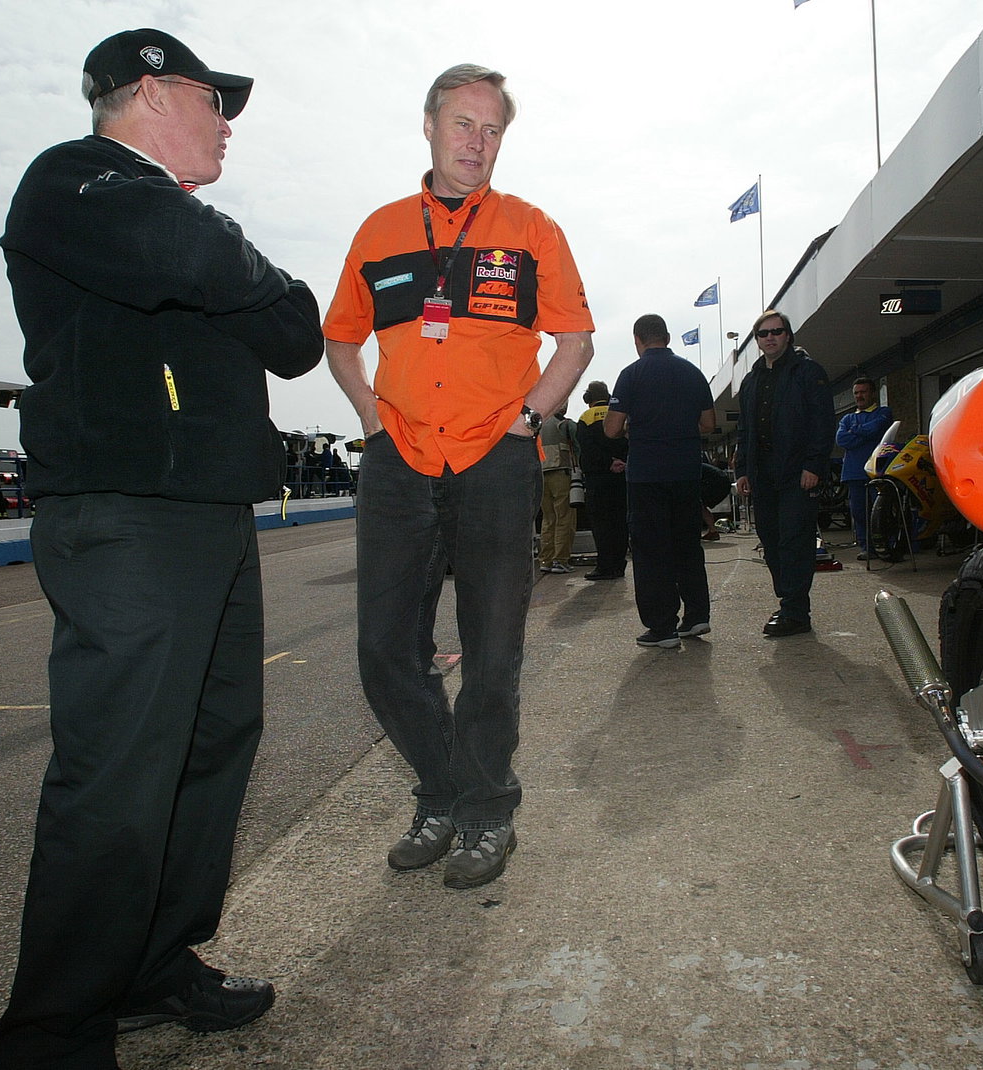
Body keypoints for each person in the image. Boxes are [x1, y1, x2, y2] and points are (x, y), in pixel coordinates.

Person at [0, 28, 324, 1070]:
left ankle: (151, 962)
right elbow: (199, 259)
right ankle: (51, 1031)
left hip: (212, 513)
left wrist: (232, 266)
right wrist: (230, 261)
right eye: (213, 99)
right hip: (127, 515)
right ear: (146, 90)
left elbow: (299, 333)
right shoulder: (72, 180)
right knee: (120, 769)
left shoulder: (168, 215)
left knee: (211, 749)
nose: (227, 121)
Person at [323, 64, 594, 890]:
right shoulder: (378, 231)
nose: (477, 142)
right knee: (383, 651)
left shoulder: (532, 228)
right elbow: (341, 338)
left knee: (492, 655)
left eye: (492, 129)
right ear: (431, 126)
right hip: (400, 459)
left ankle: (485, 813)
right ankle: (440, 792)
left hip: (494, 459)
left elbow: (575, 340)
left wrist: (529, 420)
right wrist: (372, 421)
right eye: (463, 124)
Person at [606, 314, 716, 648]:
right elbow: (708, 424)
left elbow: (611, 429)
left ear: (637, 340)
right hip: (685, 471)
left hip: (647, 476)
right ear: (667, 337)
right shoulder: (692, 373)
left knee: (651, 551)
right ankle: (697, 617)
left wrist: (632, 428)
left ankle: (662, 626)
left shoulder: (631, 374)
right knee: (687, 544)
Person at [733, 310, 834, 637]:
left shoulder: (808, 372)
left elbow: (822, 422)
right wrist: (743, 471)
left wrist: (814, 465)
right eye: (763, 334)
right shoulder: (751, 381)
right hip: (762, 474)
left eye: (777, 332)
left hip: (797, 472)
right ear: (758, 340)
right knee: (771, 539)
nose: (770, 338)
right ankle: (788, 600)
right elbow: (745, 429)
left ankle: (795, 610)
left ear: (788, 335)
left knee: (794, 540)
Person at [834, 376, 893, 562]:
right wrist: (864, 433)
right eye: (856, 393)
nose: (859, 396)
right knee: (859, 513)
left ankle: (886, 546)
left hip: (878, 472)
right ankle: (867, 548)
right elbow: (841, 440)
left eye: (863, 392)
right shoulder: (847, 418)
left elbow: (876, 428)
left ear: (873, 393)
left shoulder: (884, 413)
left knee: (881, 512)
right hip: (853, 473)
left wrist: (855, 432)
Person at [575, 380, 628, 580]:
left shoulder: (585, 418)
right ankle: (619, 565)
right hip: (621, 475)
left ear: (588, 398)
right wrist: (620, 462)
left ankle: (605, 566)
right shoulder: (619, 413)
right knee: (620, 521)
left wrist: (606, 462)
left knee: (601, 524)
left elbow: (587, 450)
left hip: (597, 478)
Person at [537, 406, 578, 573]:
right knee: (564, 516)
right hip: (561, 471)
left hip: (541, 473)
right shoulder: (565, 424)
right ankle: (560, 560)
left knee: (548, 519)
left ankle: (545, 560)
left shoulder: (537, 424)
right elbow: (577, 446)